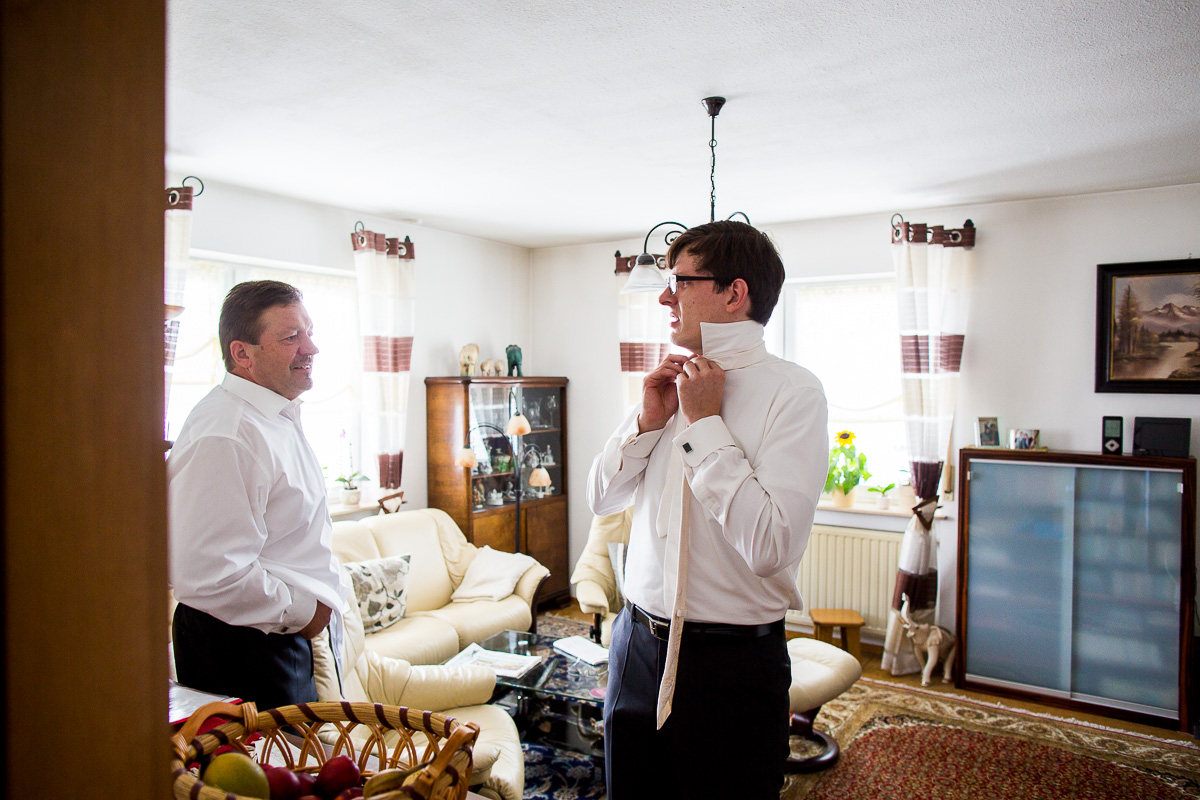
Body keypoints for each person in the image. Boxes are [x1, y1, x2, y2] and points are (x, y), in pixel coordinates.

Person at [587, 220, 828, 799]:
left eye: (679, 281)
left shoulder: (794, 394)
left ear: (733, 293)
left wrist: (705, 426)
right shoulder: (665, 386)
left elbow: (771, 547)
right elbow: (602, 497)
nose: (665, 296)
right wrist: (648, 420)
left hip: (731, 667)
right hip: (635, 649)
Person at [169, 280, 347, 711]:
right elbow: (208, 572)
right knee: (256, 775)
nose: (311, 348)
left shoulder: (274, 416)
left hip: (276, 638)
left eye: (309, 332)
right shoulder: (227, 434)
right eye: (292, 337)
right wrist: (304, 611)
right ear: (242, 353)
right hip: (241, 648)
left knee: (298, 769)